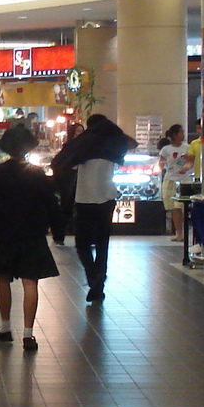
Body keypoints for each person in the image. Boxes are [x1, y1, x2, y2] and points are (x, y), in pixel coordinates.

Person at [0, 127, 64, 351]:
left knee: (2, 278)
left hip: (6, 234)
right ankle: (28, 334)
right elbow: (51, 204)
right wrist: (58, 229)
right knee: (30, 281)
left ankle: (5, 328)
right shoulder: (37, 173)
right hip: (33, 234)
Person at [51, 113, 133, 304]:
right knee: (103, 242)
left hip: (85, 199)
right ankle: (99, 281)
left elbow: (59, 164)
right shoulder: (114, 145)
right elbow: (130, 145)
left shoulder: (83, 146)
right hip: (107, 197)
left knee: (82, 244)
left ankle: (93, 277)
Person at [157, 124, 192, 242]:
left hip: (183, 180)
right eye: (181, 132)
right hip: (170, 179)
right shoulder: (166, 149)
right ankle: (179, 233)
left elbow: (191, 161)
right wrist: (164, 163)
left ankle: (184, 232)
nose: (183, 135)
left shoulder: (187, 147)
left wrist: (186, 167)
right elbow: (161, 163)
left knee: (181, 206)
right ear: (174, 135)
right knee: (173, 208)